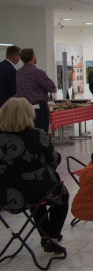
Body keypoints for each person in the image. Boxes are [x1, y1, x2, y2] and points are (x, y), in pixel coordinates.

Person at [0, 98, 69, 254]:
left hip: (4, 195)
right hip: (34, 190)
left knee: (34, 196)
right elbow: (54, 159)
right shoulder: (37, 135)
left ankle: (45, 236)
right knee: (59, 195)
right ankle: (52, 237)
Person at [15, 48, 57, 134]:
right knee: (40, 134)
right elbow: (53, 89)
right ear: (33, 56)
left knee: (26, 133)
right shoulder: (37, 72)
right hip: (38, 109)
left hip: (23, 108)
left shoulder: (18, 73)